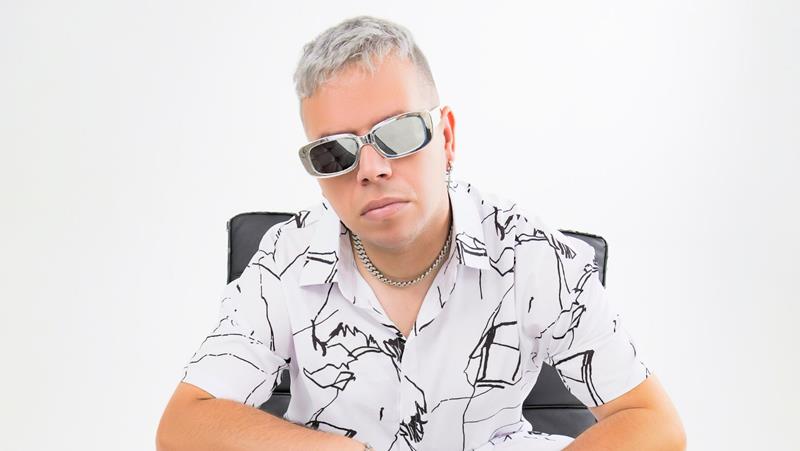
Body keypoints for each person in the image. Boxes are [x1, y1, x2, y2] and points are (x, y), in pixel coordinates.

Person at [156, 15, 685, 451]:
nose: (371, 169)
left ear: (446, 136)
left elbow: (654, 424)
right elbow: (183, 425)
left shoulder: (529, 253)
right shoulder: (285, 259)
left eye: (399, 132)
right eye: (334, 153)